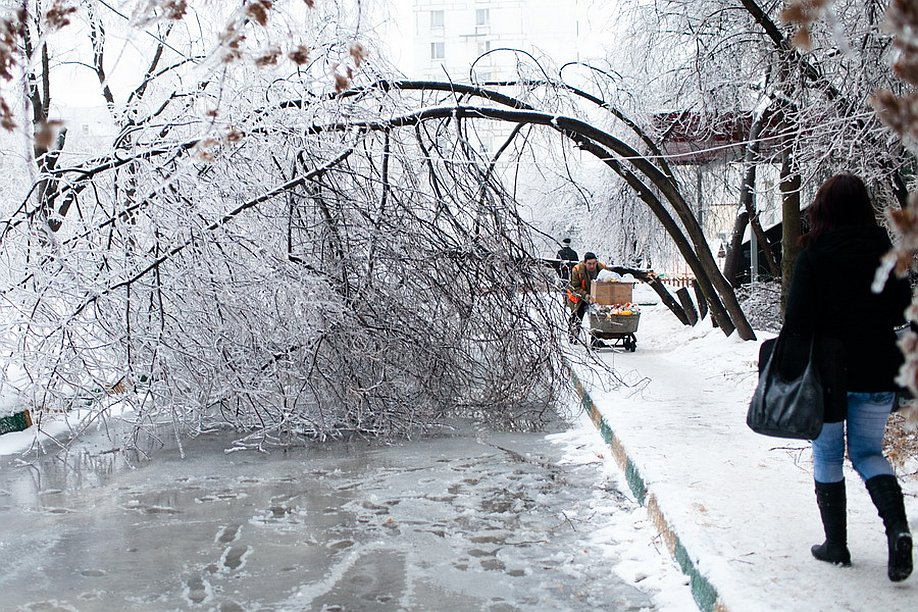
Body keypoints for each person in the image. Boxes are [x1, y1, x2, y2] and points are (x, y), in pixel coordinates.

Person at [783, 174, 912, 582]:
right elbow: (902, 311)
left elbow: (800, 320)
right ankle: (899, 530)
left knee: (826, 455)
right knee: (868, 452)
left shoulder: (814, 255)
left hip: (827, 373)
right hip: (877, 367)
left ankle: (836, 544)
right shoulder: (887, 254)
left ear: (822, 209)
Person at [567, 252, 606, 343]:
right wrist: (586, 295)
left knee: (599, 315)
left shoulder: (602, 268)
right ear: (585, 263)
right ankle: (573, 335)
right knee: (577, 315)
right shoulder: (577, 270)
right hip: (578, 297)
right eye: (589, 264)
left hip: (596, 295)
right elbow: (574, 287)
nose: (592, 266)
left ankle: (596, 337)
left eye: (594, 263)